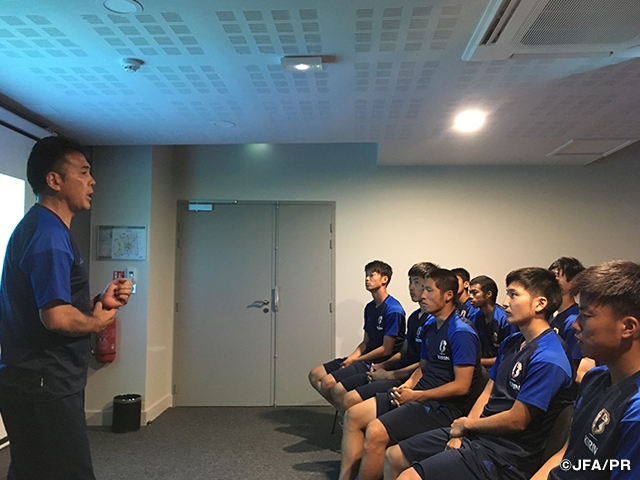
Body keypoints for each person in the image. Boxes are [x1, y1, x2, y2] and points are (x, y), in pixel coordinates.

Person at [0, 136, 133, 480]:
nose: (92, 181)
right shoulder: (49, 236)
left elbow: (50, 303)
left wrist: (97, 301)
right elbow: (56, 317)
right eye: (84, 172)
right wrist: (97, 322)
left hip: (37, 383)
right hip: (45, 385)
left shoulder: (42, 228)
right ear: (54, 180)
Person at [384, 267, 575, 480]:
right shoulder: (512, 342)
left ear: (540, 304)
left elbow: (517, 420)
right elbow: (488, 391)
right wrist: (464, 430)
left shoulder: (549, 357)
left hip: (506, 454)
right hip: (480, 433)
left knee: (409, 477)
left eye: (513, 295)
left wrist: (468, 424)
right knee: (394, 456)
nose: (505, 302)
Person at [338, 268, 481, 480]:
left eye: (429, 290)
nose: (422, 295)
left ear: (448, 295)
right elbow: (423, 367)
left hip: (443, 407)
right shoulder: (431, 325)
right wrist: (408, 386)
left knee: (375, 430)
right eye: (423, 289)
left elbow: (461, 386)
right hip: (419, 395)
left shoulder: (461, 332)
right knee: (354, 415)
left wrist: (416, 396)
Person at [532, 260, 640, 480]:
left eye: (586, 316)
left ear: (628, 327)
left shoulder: (635, 411)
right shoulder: (594, 378)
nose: (575, 324)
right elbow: (568, 455)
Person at [333, 263, 437, 414]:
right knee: (339, 390)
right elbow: (403, 352)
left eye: (416, 282)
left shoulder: (432, 321)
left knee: (350, 400)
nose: (411, 287)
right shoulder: (414, 317)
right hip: (396, 369)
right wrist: (383, 366)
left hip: (408, 377)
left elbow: (423, 365)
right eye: (410, 282)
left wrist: (389, 374)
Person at [309, 260, 405, 407]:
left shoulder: (393, 309)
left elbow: (386, 349)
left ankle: (352, 415)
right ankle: (347, 412)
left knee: (329, 384)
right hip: (364, 357)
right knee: (315, 374)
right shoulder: (370, 307)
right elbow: (366, 342)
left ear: (384, 279)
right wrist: (351, 358)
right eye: (366, 275)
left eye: (372, 275)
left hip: (378, 362)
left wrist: (357, 360)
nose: (367, 279)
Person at [548, 257, 595, 381]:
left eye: (556, 276)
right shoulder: (552, 315)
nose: (551, 281)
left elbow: (573, 364)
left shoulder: (573, 319)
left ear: (574, 282)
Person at [468, 275, 515, 368]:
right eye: (470, 293)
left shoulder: (504, 319)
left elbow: (509, 356)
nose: (470, 296)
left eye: (475, 293)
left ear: (488, 294)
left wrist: (476, 361)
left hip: (500, 368)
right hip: (480, 367)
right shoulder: (475, 316)